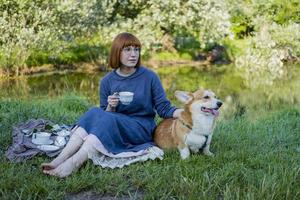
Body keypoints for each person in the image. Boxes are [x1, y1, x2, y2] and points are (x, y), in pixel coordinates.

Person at [41, 32, 183, 178]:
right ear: (117, 52)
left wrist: (184, 112)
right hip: (115, 127)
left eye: (136, 49)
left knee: (100, 116)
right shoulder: (107, 81)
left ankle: (73, 164)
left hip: (141, 128)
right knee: (95, 112)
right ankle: (59, 159)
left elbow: (163, 107)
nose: (133, 54)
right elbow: (103, 116)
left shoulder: (149, 77)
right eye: (127, 50)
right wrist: (111, 107)